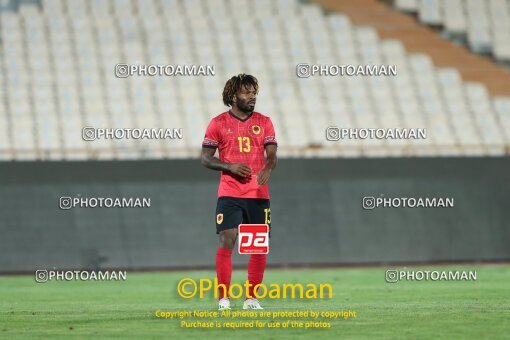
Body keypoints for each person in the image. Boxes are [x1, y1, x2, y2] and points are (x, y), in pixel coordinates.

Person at [201, 74, 278, 310]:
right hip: (230, 193)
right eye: (246, 93)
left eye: (254, 92)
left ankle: (251, 298)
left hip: (257, 194)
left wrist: (267, 166)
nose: (252, 97)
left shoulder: (264, 121)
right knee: (228, 238)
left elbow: (272, 154)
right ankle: (223, 298)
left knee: (257, 245)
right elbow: (205, 158)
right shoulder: (218, 123)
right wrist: (229, 166)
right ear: (233, 96)